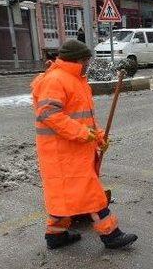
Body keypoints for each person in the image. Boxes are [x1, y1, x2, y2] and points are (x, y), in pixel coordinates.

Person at [31, 40, 138, 250]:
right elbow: (49, 114)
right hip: (61, 152)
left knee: (63, 194)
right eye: (86, 59)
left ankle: (56, 235)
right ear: (77, 59)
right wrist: (83, 134)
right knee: (92, 194)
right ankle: (111, 235)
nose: (89, 63)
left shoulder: (76, 79)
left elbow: (84, 119)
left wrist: (98, 137)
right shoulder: (55, 80)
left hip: (72, 150)